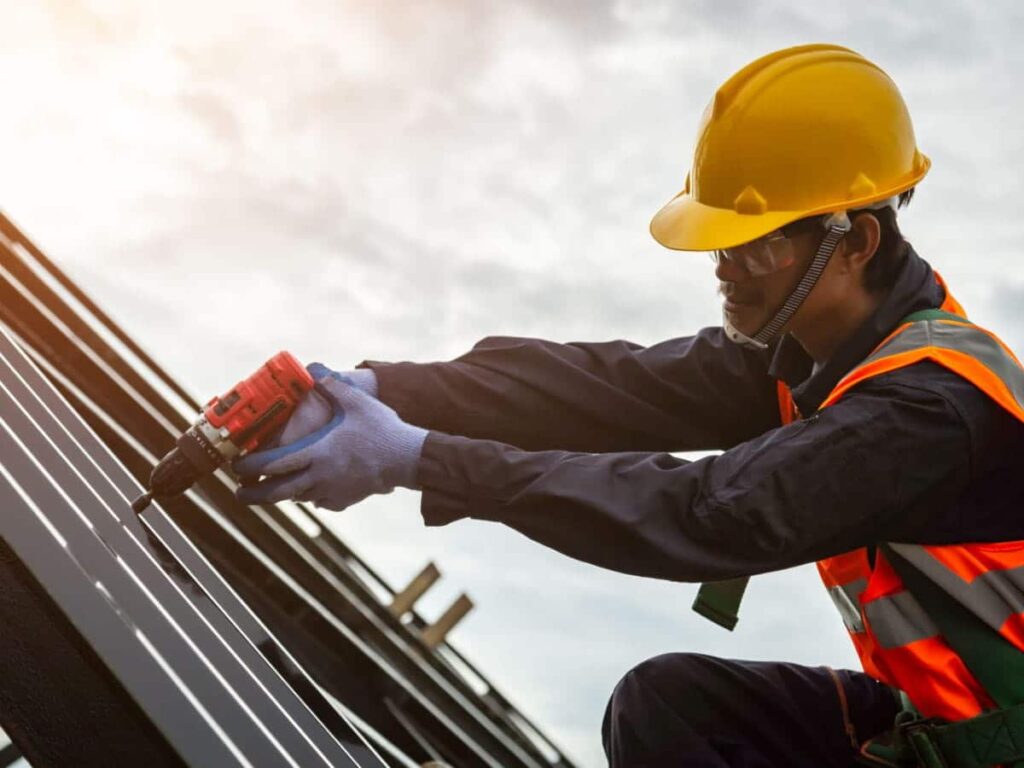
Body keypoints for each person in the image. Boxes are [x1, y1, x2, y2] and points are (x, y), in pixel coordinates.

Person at [233, 44, 1024, 767]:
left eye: (759, 246)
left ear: (855, 244)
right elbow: (609, 387)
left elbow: (708, 513)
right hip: (961, 732)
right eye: (722, 242)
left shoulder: (929, 407)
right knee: (671, 709)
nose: (728, 269)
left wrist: (415, 458)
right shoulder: (819, 356)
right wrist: (384, 392)